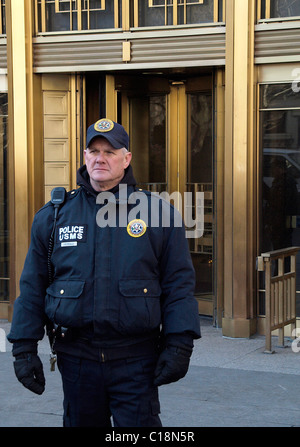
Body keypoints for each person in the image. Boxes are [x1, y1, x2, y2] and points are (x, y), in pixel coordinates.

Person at [7, 118, 201, 427]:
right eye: (94, 150)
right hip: (77, 359)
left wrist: (180, 343)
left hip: (136, 360)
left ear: (126, 159)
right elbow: (33, 285)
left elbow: (178, 284)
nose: (101, 158)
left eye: (110, 151)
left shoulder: (158, 213)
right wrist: (23, 347)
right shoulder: (54, 216)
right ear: (84, 157)